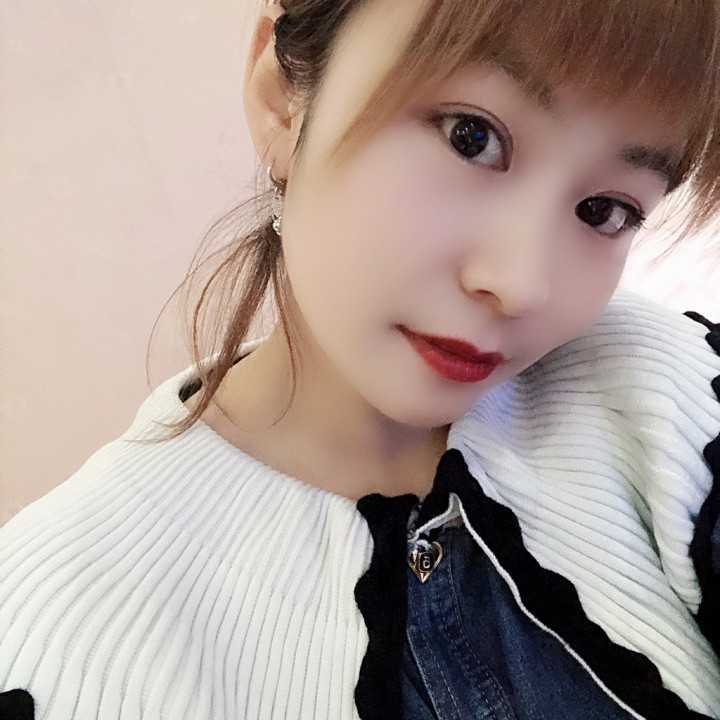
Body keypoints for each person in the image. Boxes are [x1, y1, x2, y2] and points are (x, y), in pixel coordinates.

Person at [1, 0, 719, 717]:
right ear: (281, 98)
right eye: (470, 136)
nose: (522, 283)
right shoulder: (53, 625)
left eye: (605, 210)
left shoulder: (668, 392)